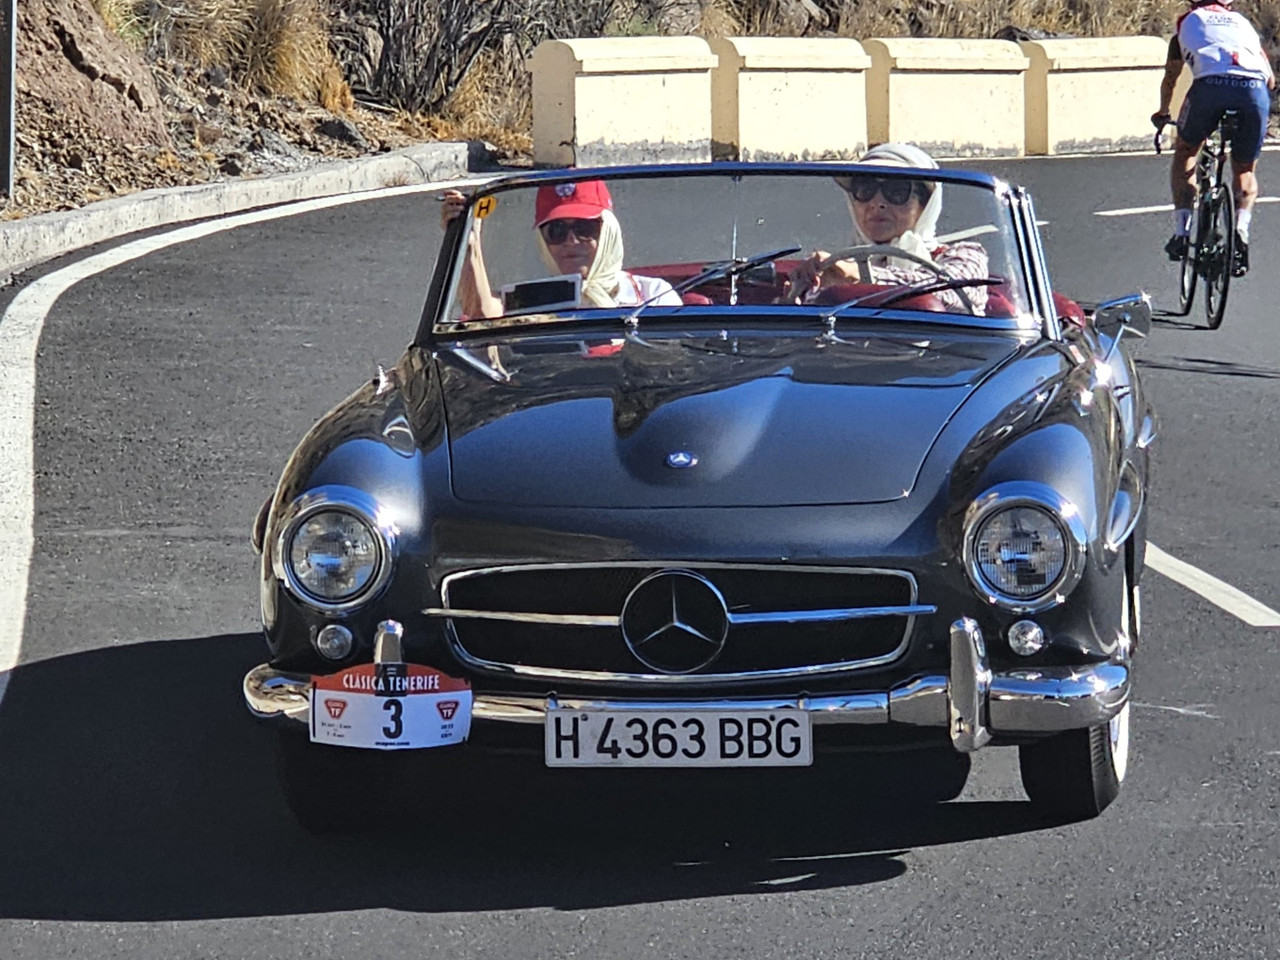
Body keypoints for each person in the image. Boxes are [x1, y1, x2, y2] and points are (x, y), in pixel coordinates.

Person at [785, 142, 990, 315]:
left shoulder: (965, 256)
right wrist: (797, 300)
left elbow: (953, 292)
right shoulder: (837, 267)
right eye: (864, 189)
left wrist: (862, 276)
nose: (877, 203)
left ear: (924, 204)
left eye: (896, 191)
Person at [1153, 0, 1275, 277]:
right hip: (1253, 90)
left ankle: (1182, 233)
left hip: (1210, 87)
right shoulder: (1243, 25)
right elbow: (1270, 81)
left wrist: (1162, 112)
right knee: (1245, 170)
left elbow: (1171, 77)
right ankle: (1241, 231)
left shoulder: (1187, 21)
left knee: (1186, 151)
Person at [439, 179, 682, 318]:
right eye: (556, 231)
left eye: (585, 229)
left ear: (609, 233)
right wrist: (469, 239)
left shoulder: (655, 296)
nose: (571, 241)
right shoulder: (540, 298)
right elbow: (484, 315)